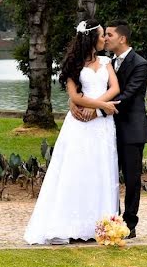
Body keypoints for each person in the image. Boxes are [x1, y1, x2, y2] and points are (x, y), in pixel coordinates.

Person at [24, 19, 121, 245]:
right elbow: (75, 97)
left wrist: (96, 105)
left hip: (101, 126)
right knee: (76, 169)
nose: (104, 39)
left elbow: (115, 88)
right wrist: (98, 106)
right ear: (90, 38)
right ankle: (68, 225)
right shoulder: (73, 64)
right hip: (79, 126)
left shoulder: (107, 62)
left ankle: (100, 226)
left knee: (101, 169)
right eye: (100, 35)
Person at [71, 19, 147, 239]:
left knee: (132, 179)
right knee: (107, 176)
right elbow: (83, 86)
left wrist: (95, 111)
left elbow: (126, 96)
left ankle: (130, 224)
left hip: (131, 129)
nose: (105, 38)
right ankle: (110, 220)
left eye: (109, 35)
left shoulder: (140, 64)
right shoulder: (106, 62)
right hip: (106, 130)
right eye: (103, 35)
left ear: (122, 38)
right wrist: (76, 102)